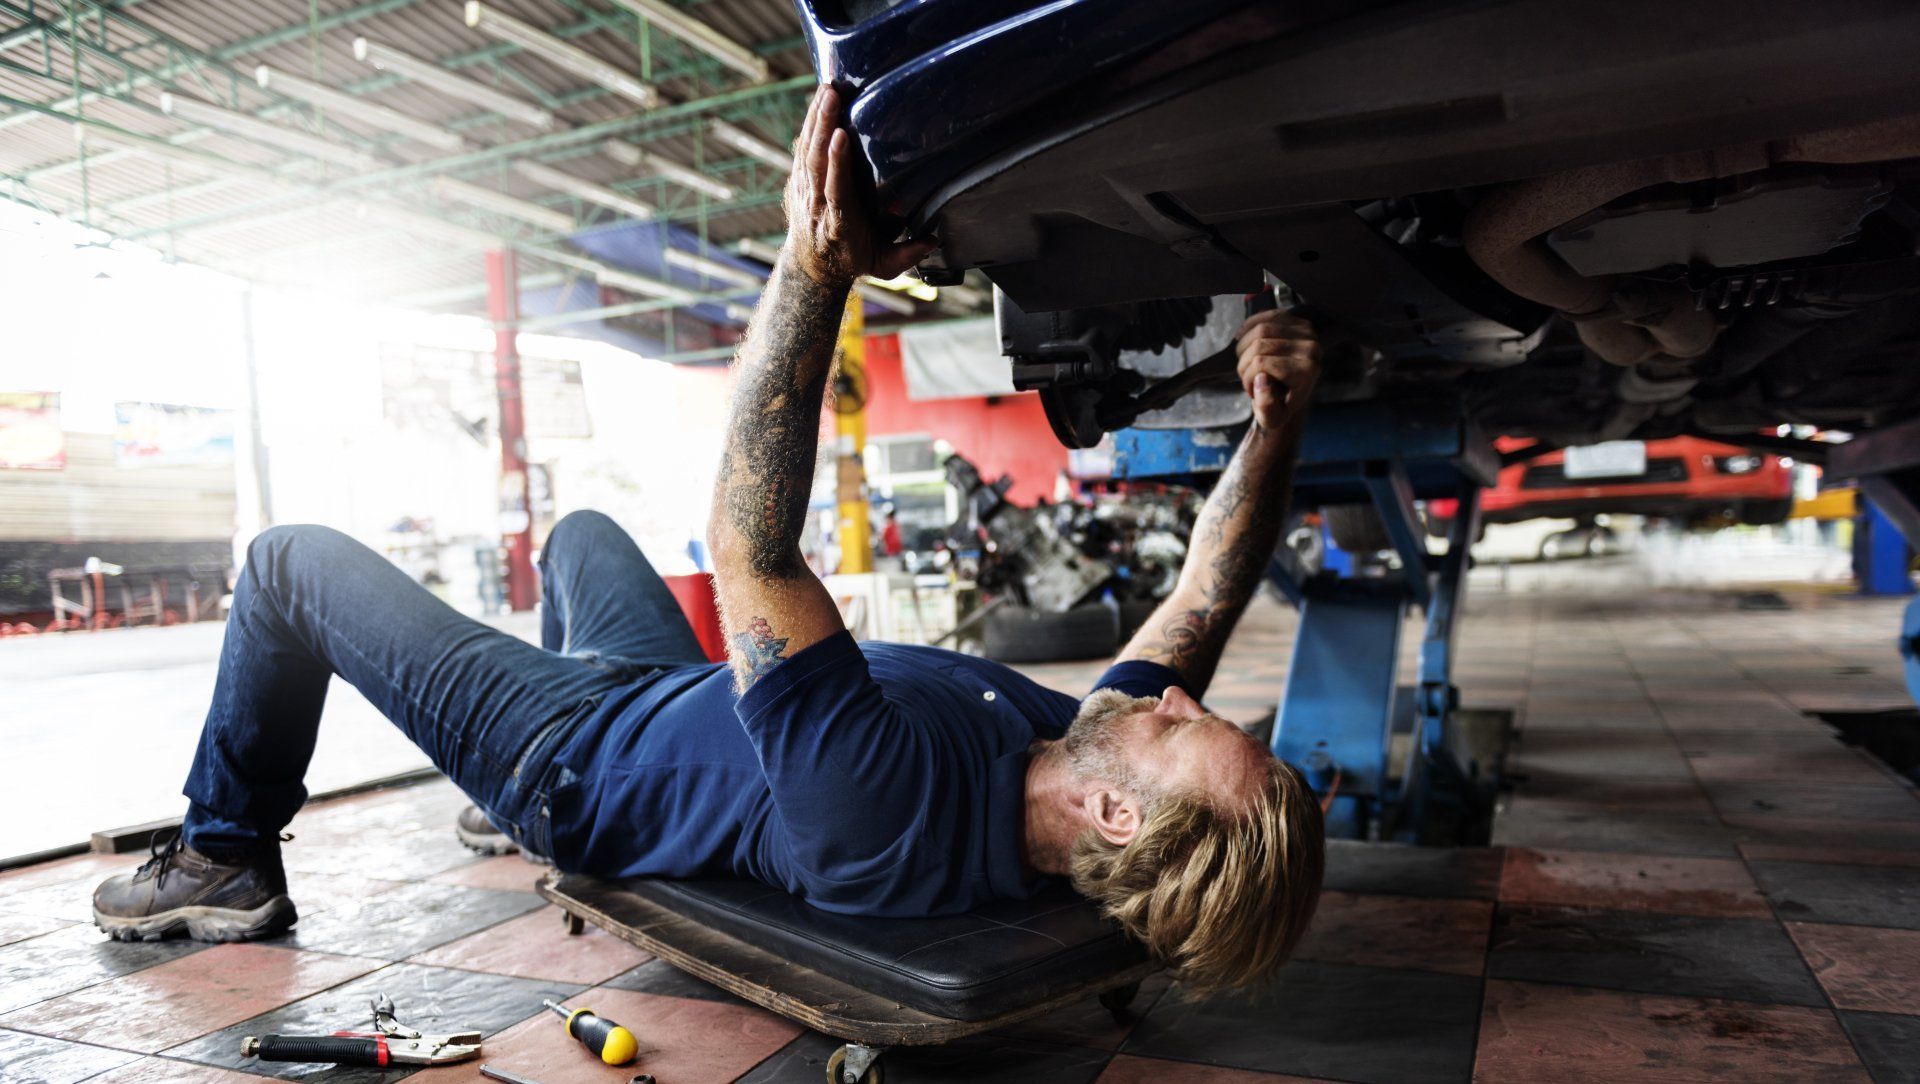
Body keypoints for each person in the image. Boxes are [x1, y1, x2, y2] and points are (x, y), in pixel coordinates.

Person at [92, 86, 1324, 992]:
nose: (1176, 701)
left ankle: (225, 853)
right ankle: (481, 791)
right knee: (579, 530)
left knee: (288, 561)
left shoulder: (887, 816)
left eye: (1188, 726)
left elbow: (754, 551)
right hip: (665, 693)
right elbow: (1205, 597)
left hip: (568, 757)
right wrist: (1276, 417)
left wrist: (813, 265)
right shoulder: (1081, 754)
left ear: (1116, 815)